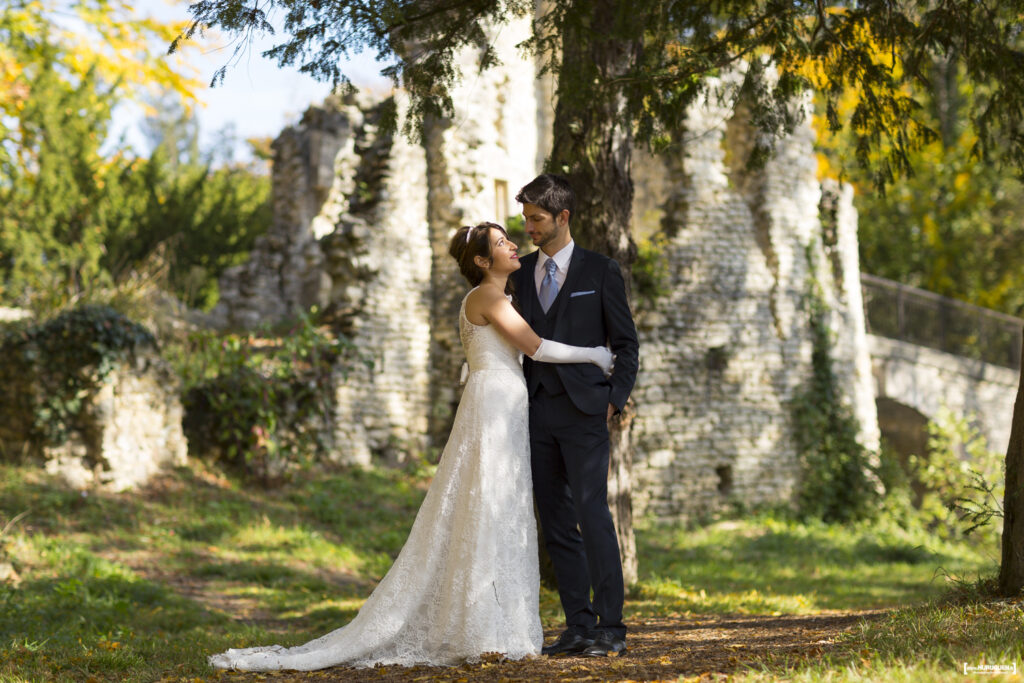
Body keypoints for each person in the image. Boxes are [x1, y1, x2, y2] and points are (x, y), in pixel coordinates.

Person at [207, 221, 613, 671]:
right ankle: (481, 626)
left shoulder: (498, 297)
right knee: (485, 505)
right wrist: (593, 354)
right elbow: (535, 348)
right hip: (495, 403)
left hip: (501, 401)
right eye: (501, 243)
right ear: (482, 261)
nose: (513, 244)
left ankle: (495, 621)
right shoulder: (488, 296)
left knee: (501, 507)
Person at [511, 174, 639, 658]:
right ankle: (578, 626)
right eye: (525, 219)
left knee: (593, 515)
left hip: (586, 412)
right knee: (557, 523)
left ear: (563, 217)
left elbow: (626, 345)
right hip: (535, 412)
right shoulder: (519, 274)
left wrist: (615, 397)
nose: (529, 228)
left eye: (537, 219)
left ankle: (611, 628)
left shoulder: (600, 271)